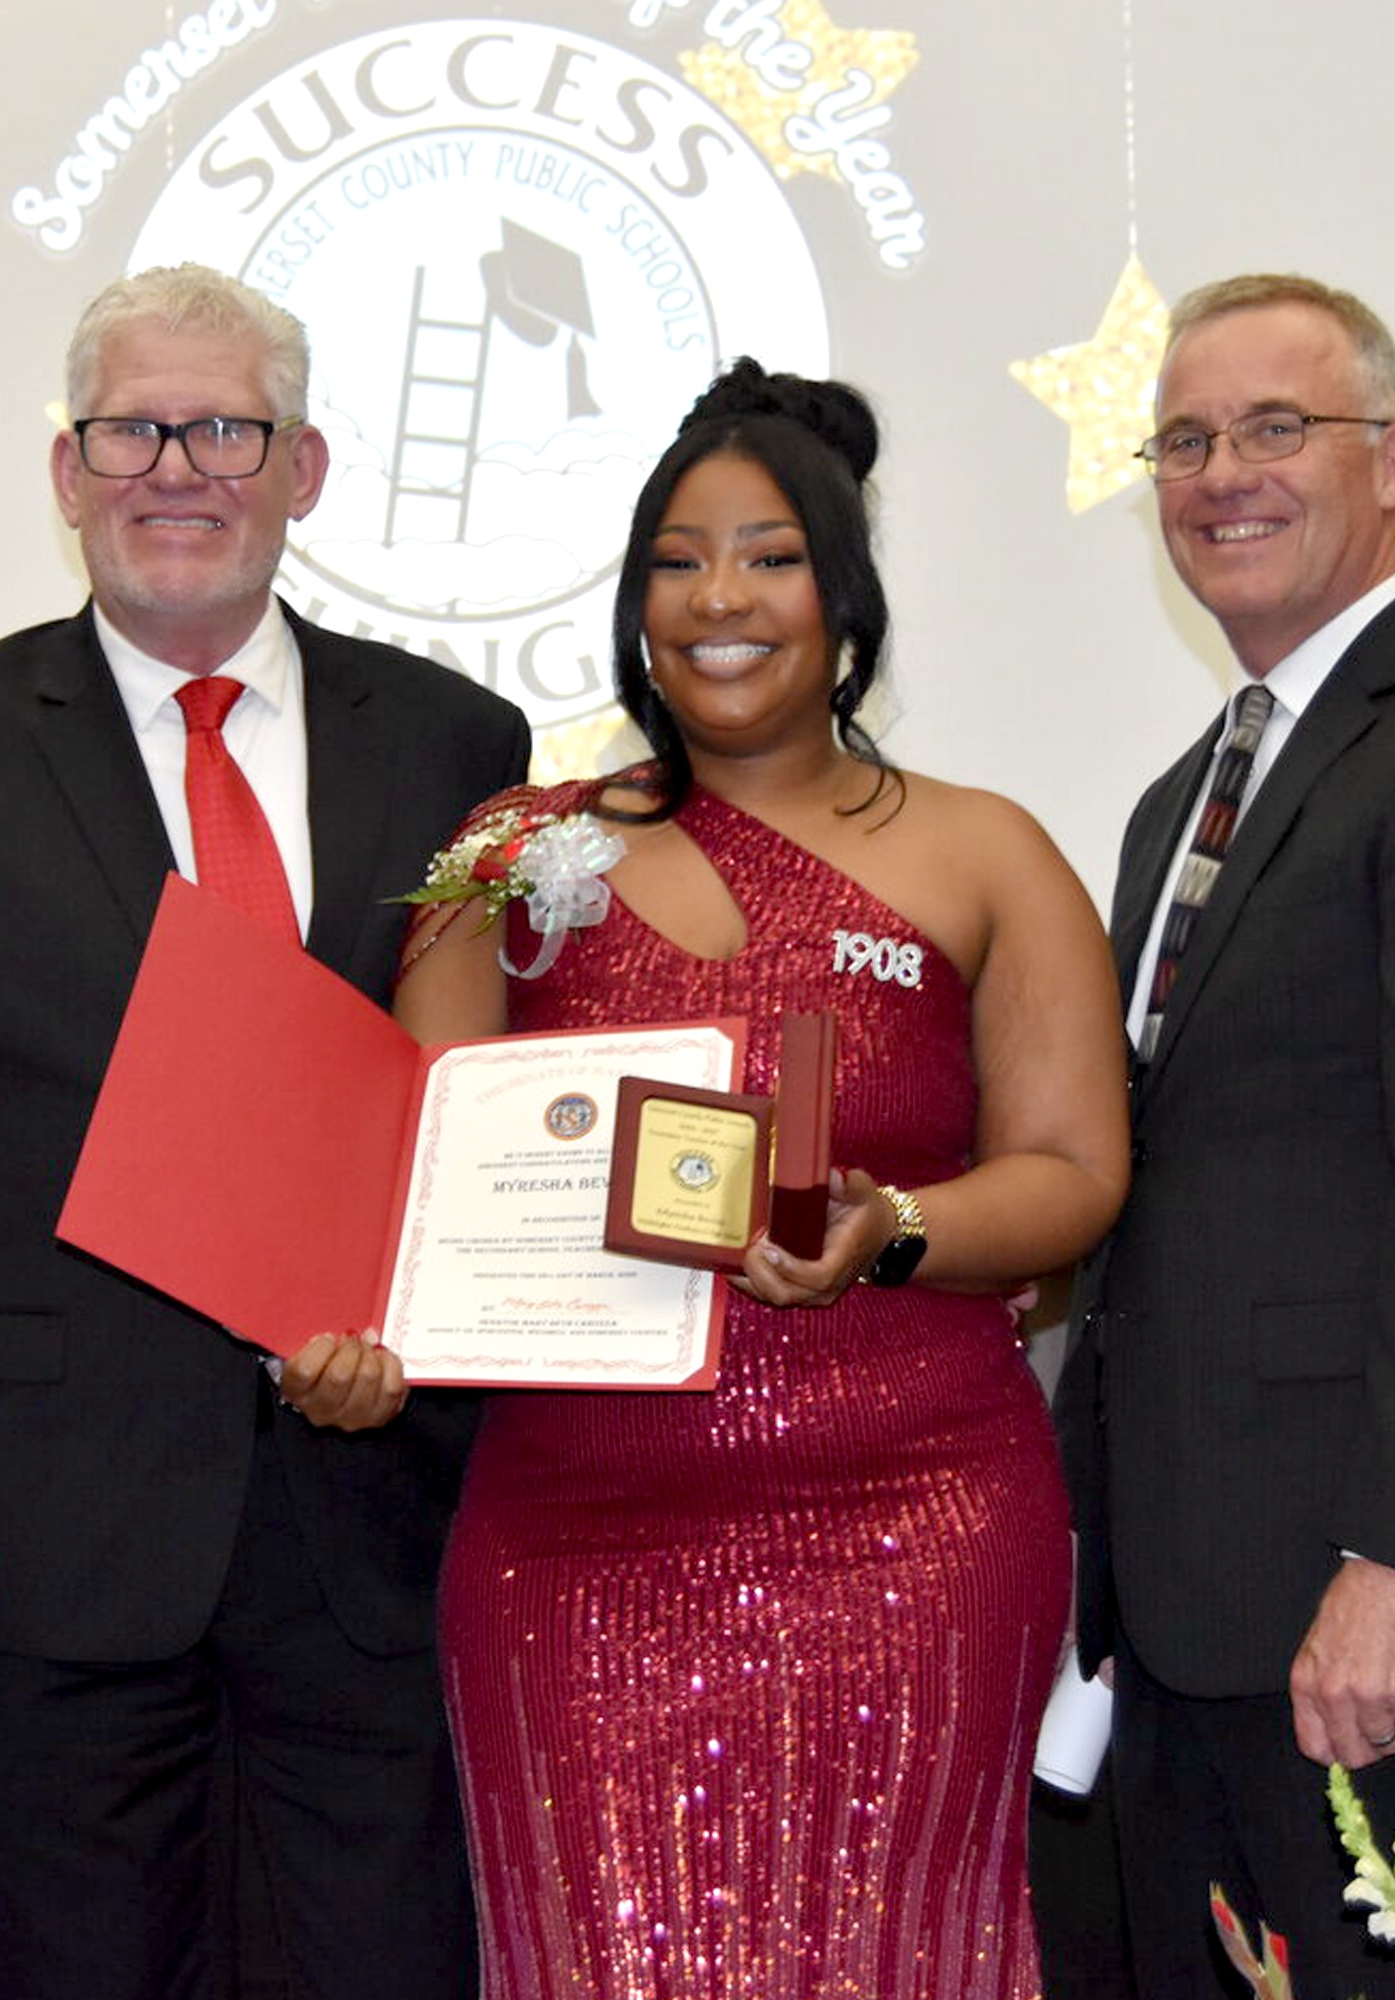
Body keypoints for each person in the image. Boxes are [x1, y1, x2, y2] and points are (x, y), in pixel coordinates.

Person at [387, 360, 1131, 1997]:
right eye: (677, 560)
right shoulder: (496, 844)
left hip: (918, 1522)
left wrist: (894, 1230)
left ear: (846, 600)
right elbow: (408, 1163)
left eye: (772, 556)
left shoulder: (992, 846)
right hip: (570, 1543)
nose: (719, 597)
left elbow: (1078, 1172)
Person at [0, 264, 529, 1999]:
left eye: (226, 428)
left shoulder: (459, 740)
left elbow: (473, 1103)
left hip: (370, 1510)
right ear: (67, 471)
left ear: (303, 469)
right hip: (55, 1526)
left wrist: (425, 1326)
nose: (176, 469)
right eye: (132, 430)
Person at [1057, 273, 1395, 1999]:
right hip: (1174, 1601)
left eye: (1277, 428)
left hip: (1336, 1592)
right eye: (1186, 439)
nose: (1223, 473)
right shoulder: (1181, 797)